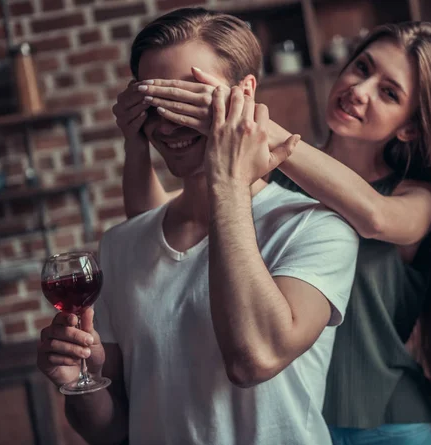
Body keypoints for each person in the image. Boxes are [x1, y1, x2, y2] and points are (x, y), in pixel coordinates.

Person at [118, 16, 431, 445]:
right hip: (304, 422)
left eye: (389, 93)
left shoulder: (417, 197)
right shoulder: (272, 177)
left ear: (409, 126)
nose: (359, 90)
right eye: (362, 67)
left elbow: (374, 217)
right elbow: (152, 227)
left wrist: (238, 116)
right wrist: (135, 143)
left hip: (393, 426)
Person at [36, 8, 361, 445]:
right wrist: (74, 378)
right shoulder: (120, 245)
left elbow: (253, 360)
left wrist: (227, 177)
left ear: (245, 93)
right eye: (155, 102)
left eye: (189, 98)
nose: (168, 123)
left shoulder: (315, 228)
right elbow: (111, 430)